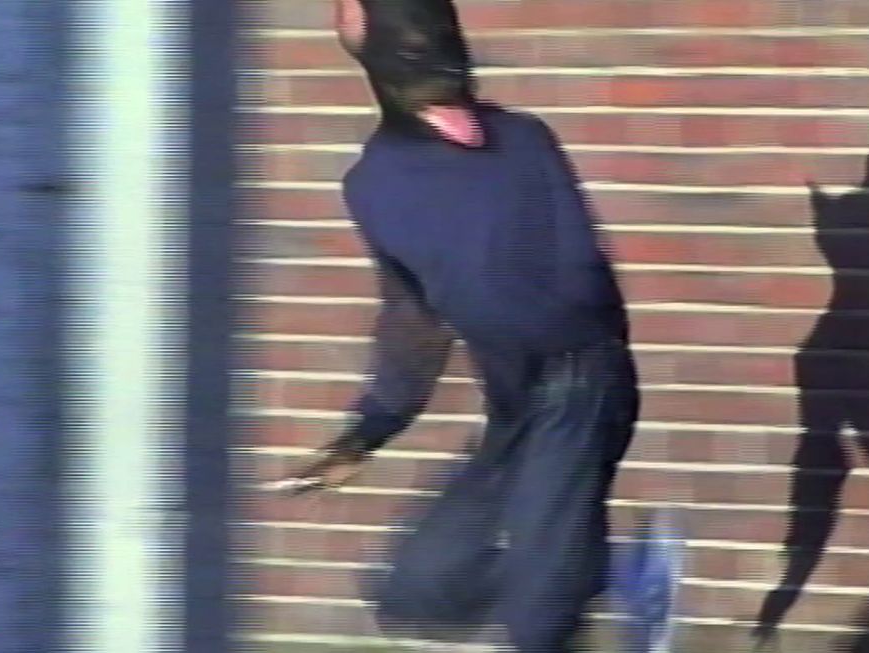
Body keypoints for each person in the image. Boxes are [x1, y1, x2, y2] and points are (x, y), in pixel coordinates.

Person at [275, 2, 641, 650]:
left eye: (449, 59)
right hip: (514, 399)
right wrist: (366, 432)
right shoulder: (374, 185)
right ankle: (605, 576)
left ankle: (565, 585)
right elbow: (412, 315)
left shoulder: (525, 142)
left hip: (582, 379)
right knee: (418, 587)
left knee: (538, 617)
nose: (445, 82)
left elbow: (585, 288)